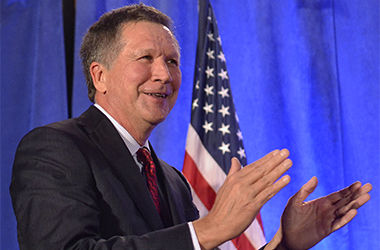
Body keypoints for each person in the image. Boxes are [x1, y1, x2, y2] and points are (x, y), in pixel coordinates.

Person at [10, 4, 372, 250]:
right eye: (146, 58)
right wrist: (210, 229)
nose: (165, 75)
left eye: (172, 61)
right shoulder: (55, 149)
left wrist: (284, 243)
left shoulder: (171, 180)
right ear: (100, 75)